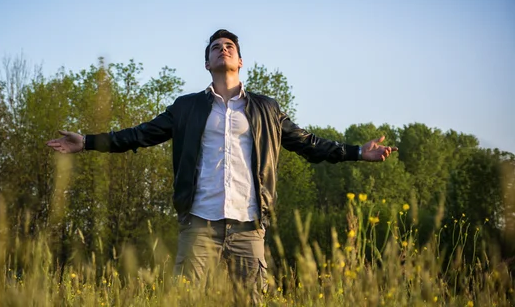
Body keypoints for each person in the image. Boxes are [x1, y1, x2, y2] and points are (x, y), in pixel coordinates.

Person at [46, 29, 397, 303]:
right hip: (199, 224)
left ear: (241, 61)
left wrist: (355, 152)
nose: (223, 49)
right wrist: (88, 141)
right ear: (207, 64)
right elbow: (140, 135)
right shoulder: (186, 107)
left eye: (230, 46)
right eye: (216, 47)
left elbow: (308, 144)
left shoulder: (266, 109)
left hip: (248, 228)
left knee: (251, 302)